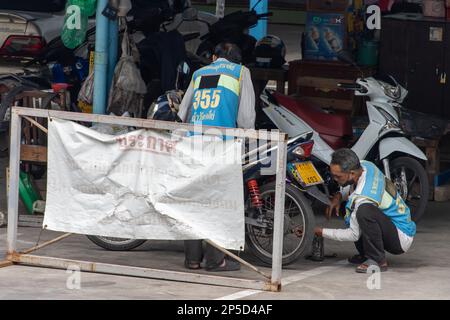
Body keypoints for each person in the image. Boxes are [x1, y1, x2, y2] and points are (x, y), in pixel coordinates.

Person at [177, 42, 256, 271]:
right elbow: (246, 118)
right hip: (222, 147)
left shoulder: (199, 73)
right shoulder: (242, 72)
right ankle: (215, 260)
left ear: (214, 57)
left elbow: (184, 112)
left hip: (194, 144)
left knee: (195, 200)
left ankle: (192, 259)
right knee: (218, 202)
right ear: (237, 60)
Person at [314, 148, 416, 273]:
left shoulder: (364, 197)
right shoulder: (366, 166)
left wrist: (320, 231)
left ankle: (377, 260)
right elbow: (352, 187)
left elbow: (353, 234)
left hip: (400, 237)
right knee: (355, 210)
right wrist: (339, 196)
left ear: (352, 173)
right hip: (391, 225)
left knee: (363, 212)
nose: (335, 179)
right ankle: (366, 254)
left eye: (338, 176)